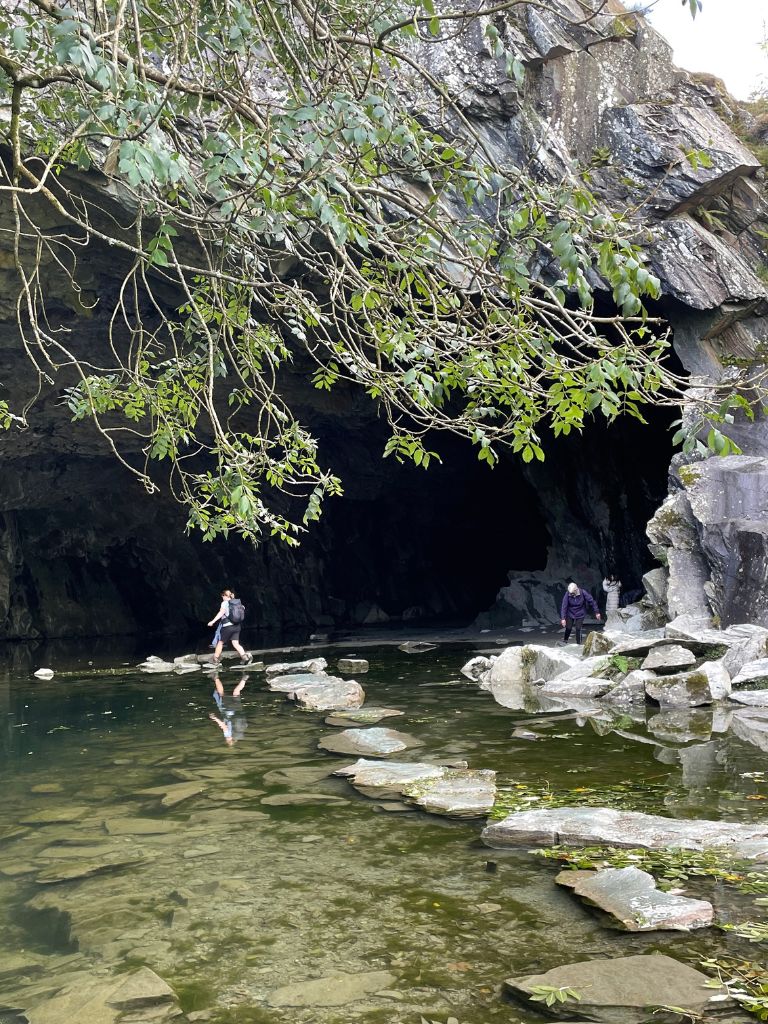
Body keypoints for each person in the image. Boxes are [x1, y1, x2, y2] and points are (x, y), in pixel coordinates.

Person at [207, 589, 252, 667]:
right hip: (237, 626)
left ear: (224, 596)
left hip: (227, 626)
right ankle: (244, 657)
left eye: (222, 596)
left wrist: (213, 621)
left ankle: (215, 659)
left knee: (220, 642)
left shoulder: (224, 603)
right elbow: (243, 608)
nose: (222, 598)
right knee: (236, 643)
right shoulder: (237, 602)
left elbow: (221, 613)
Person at [209, 675, 248, 746]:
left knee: (236, 692)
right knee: (221, 694)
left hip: (237, 709)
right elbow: (224, 726)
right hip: (227, 709)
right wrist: (215, 718)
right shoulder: (228, 735)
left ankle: (244, 680)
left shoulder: (239, 731)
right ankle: (216, 678)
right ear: (229, 740)